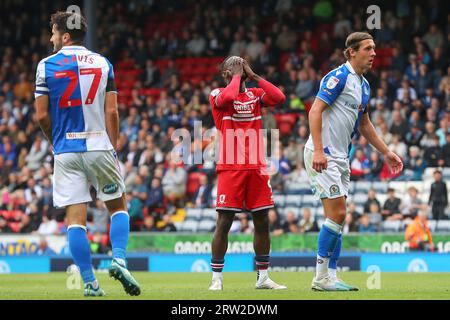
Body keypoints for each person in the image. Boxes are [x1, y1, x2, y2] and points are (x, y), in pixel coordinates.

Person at [34, 12, 140, 297]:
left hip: (66, 151)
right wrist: (113, 146)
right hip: (99, 145)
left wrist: (54, 141)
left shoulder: (45, 66)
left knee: (76, 221)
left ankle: (91, 284)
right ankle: (118, 258)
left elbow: (42, 115)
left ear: (65, 36)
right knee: (118, 207)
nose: (51, 38)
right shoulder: (103, 63)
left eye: (54, 33)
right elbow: (112, 111)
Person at [304, 32, 403, 291]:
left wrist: (386, 152)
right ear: (352, 52)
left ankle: (332, 276)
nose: (373, 53)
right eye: (368, 49)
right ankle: (320, 278)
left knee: (339, 217)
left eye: (374, 49)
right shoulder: (338, 77)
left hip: (340, 156)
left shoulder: (364, 85)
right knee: (337, 213)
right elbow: (315, 111)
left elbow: (364, 123)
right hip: (322, 154)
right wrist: (317, 150)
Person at [208, 56, 286, 290]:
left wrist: (253, 77)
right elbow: (229, 97)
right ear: (225, 74)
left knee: (262, 221)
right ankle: (216, 279)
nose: (238, 70)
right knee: (224, 221)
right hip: (231, 166)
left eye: (241, 67)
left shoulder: (254, 94)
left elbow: (279, 98)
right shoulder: (217, 93)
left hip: (256, 166)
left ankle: (263, 277)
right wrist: (235, 77)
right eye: (233, 69)